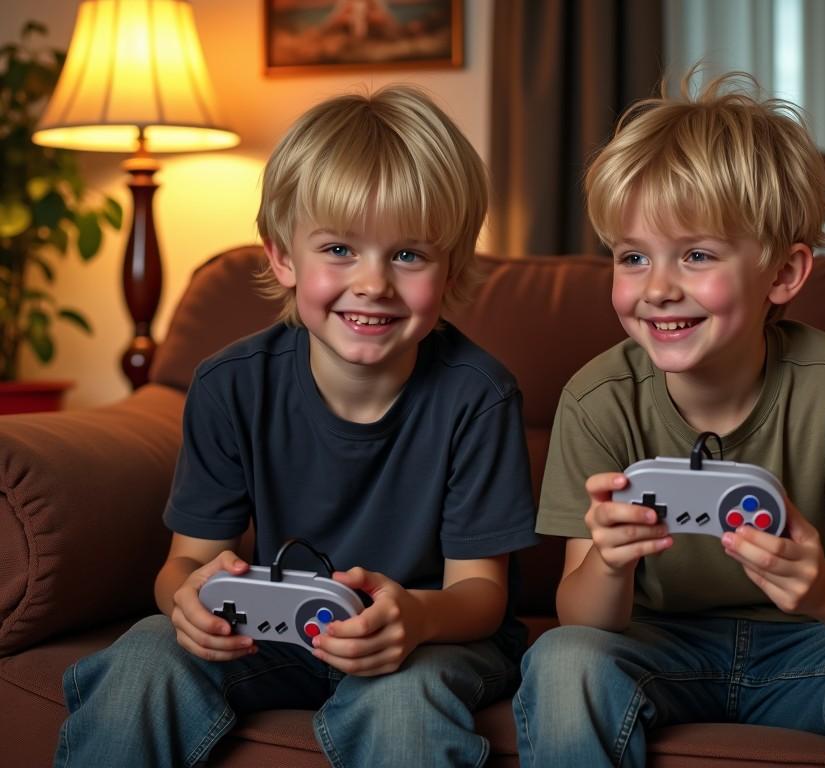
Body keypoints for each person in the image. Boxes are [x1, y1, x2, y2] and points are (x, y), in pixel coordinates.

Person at [54, 85, 537, 768]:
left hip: (432, 638)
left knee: (403, 705)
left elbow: (479, 594)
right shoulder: (231, 384)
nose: (372, 283)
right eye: (339, 248)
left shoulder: (478, 395)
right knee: (143, 659)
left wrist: (417, 618)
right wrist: (184, 599)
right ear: (283, 257)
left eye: (408, 255)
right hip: (277, 633)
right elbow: (186, 563)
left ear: (450, 268)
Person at [512, 70, 825, 767]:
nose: (658, 288)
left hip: (810, 642)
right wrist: (607, 561)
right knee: (563, 657)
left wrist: (823, 584)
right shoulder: (598, 396)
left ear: (784, 275)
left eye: (696, 255)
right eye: (633, 257)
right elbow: (583, 617)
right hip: (657, 641)